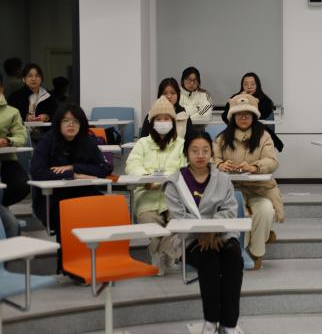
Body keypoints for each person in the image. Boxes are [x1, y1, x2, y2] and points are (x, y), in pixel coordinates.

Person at [165, 132, 245, 334]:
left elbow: (229, 209)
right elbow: (178, 216)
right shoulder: (175, 182)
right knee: (209, 260)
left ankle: (229, 324)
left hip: (222, 234)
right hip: (189, 239)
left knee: (234, 257)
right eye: (194, 151)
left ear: (211, 152)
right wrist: (204, 233)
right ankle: (210, 322)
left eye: (205, 150)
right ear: (186, 153)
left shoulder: (223, 179)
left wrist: (212, 232)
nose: (200, 155)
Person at [213, 93, 284, 270]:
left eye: (247, 114)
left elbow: (272, 161)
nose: (243, 117)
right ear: (233, 116)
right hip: (231, 190)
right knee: (237, 212)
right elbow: (211, 159)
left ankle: (256, 253)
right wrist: (220, 165)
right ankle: (239, 250)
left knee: (266, 210)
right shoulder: (222, 138)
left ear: (254, 116)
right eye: (239, 114)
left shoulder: (264, 136)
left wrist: (254, 167)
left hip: (258, 188)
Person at [30, 104, 113, 240]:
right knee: (69, 217)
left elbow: (104, 168)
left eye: (75, 121)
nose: (71, 124)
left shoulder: (88, 141)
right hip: (53, 198)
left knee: (107, 209)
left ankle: (97, 251)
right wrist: (72, 175)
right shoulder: (47, 141)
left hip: (84, 194)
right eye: (66, 120)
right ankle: (66, 253)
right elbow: (37, 172)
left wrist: (73, 167)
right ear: (58, 123)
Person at [126, 96, 186, 276]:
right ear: (152, 122)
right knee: (149, 219)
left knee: (179, 219)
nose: (163, 122)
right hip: (147, 196)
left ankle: (164, 254)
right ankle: (159, 255)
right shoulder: (142, 143)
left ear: (173, 122)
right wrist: (146, 179)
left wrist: (170, 182)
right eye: (158, 119)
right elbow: (132, 165)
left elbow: (186, 168)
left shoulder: (181, 144)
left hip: (174, 196)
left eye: (166, 118)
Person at [221, 72, 283, 152]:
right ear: (242, 86)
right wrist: (241, 98)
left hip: (258, 133)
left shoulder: (265, 100)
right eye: (246, 84)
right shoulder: (235, 98)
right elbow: (225, 116)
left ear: (257, 85)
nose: (249, 87)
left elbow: (260, 116)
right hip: (237, 133)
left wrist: (249, 100)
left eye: (252, 84)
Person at [0, 74, 30, 207]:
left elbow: (21, 137)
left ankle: (2, 208)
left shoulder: (12, 112)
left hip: (6, 160)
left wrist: (7, 140)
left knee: (22, 185)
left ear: (1, 89)